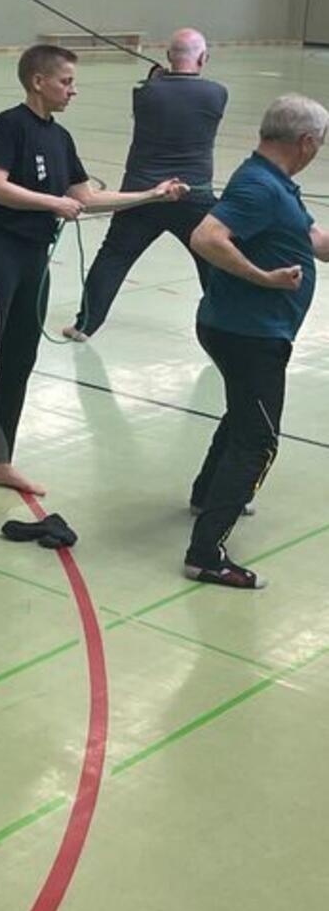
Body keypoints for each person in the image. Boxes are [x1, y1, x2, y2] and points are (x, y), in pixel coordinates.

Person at [0, 46, 189, 509]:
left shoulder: (60, 140)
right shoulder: (9, 125)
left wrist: (151, 196)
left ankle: (0, 461)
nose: (73, 89)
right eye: (66, 81)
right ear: (38, 81)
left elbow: (85, 196)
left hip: (33, 258)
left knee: (21, 358)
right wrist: (53, 204)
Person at [182, 94, 328, 588]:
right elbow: (205, 237)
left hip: (242, 329)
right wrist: (263, 278)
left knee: (244, 412)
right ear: (306, 142)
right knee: (260, 439)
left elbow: (314, 241)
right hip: (249, 334)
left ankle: (207, 492)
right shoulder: (260, 187)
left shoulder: (276, 183)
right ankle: (206, 554)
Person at [63, 29, 228, 341]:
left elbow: (156, 93)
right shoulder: (217, 93)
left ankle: (85, 325)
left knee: (114, 256)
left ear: (168, 57)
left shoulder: (145, 93)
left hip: (141, 195)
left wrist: (156, 79)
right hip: (194, 196)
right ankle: (223, 325)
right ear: (204, 58)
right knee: (215, 259)